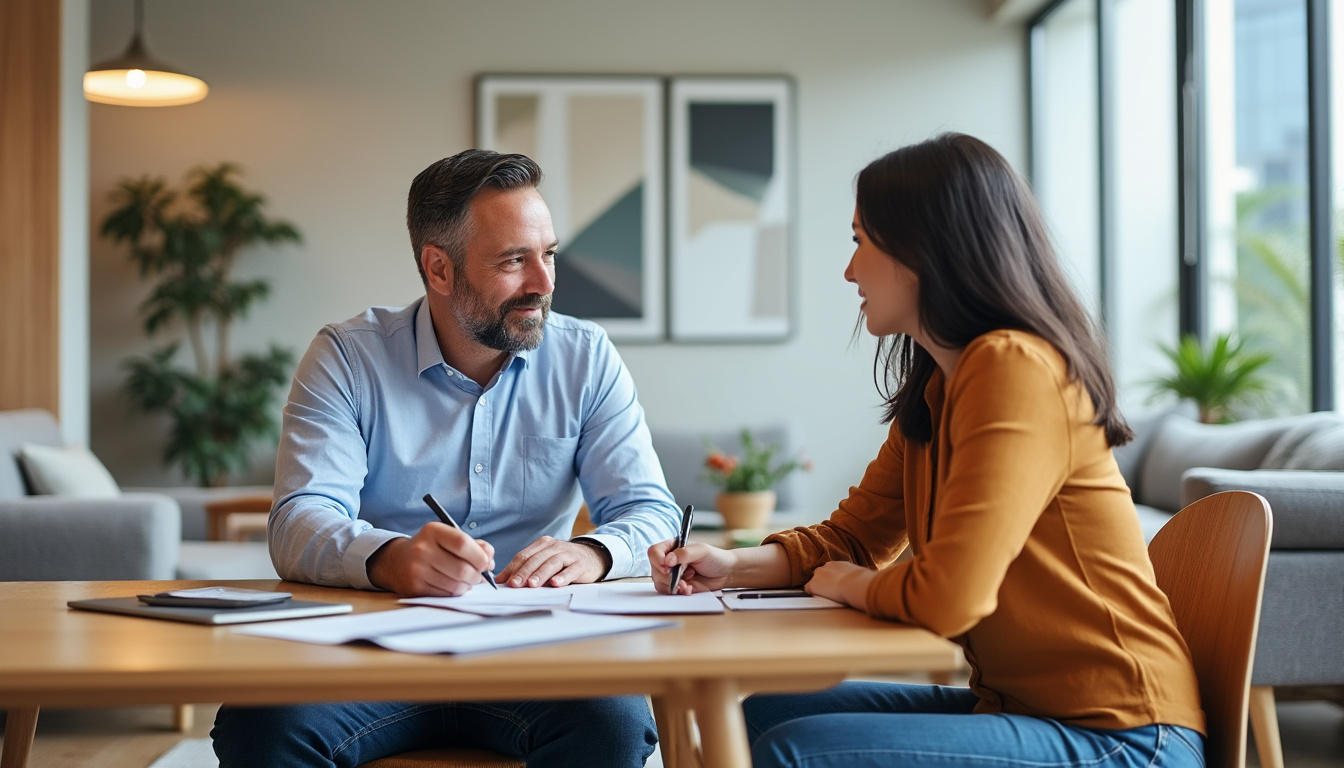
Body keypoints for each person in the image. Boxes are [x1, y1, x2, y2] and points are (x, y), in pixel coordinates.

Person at [651, 133, 1207, 768]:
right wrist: (732, 565)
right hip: (1022, 710)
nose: (849, 270)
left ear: (921, 249)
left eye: (860, 240)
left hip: (1126, 734)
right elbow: (852, 539)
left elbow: (951, 597)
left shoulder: (1014, 368)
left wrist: (859, 587)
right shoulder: (940, 387)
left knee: (796, 752)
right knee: (768, 712)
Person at [212, 149, 680, 768]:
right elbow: (298, 519)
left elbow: (652, 511)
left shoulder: (585, 357)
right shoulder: (347, 359)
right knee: (261, 726)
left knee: (616, 724)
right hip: (373, 649)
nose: (544, 283)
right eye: (515, 261)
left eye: (549, 255)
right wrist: (390, 559)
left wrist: (592, 553)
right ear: (439, 267)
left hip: (539, 654)